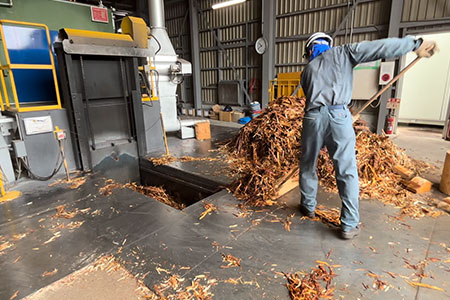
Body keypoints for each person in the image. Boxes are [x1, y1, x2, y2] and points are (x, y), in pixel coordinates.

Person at [299, 32, 438, 239]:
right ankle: (349, 224)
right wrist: (414, 44)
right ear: (328, 44)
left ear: (310, 50)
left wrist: (324, 132)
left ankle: (307, 206)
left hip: (312, 118)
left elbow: (317, 101)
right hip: (339, 115)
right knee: (346, 171)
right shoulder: (343, 53)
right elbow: (379, 47)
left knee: (308, 164)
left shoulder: (307, 70)